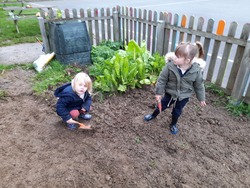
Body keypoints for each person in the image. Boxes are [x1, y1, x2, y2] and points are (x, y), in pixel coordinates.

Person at [144, 41, 206, 134]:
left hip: (183, 97)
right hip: (170, 93)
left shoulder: (196, 71)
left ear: (187, 60)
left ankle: (173, 124)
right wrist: (158, 93)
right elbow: (162, 80)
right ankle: (153, 115)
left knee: (177, 111)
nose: (174, 57)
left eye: (177, 56)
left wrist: (201, 98)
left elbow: (199, 86)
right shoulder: (170, 67)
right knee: (162, 105)